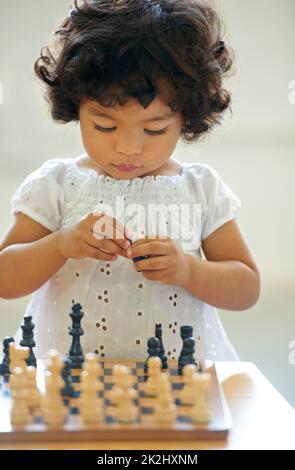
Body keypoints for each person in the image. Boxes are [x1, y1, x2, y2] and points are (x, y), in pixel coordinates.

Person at [0, 0, 260, 360]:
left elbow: (246, 288)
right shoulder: (57, 184)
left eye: (154, 130)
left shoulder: (199, 188)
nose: (128, 148)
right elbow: (5, 278)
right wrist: (60, 245)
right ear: (75, 106)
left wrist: (188, 269)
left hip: (176, 383)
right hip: (71, 380)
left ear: (187, 116)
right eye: (104, 125)